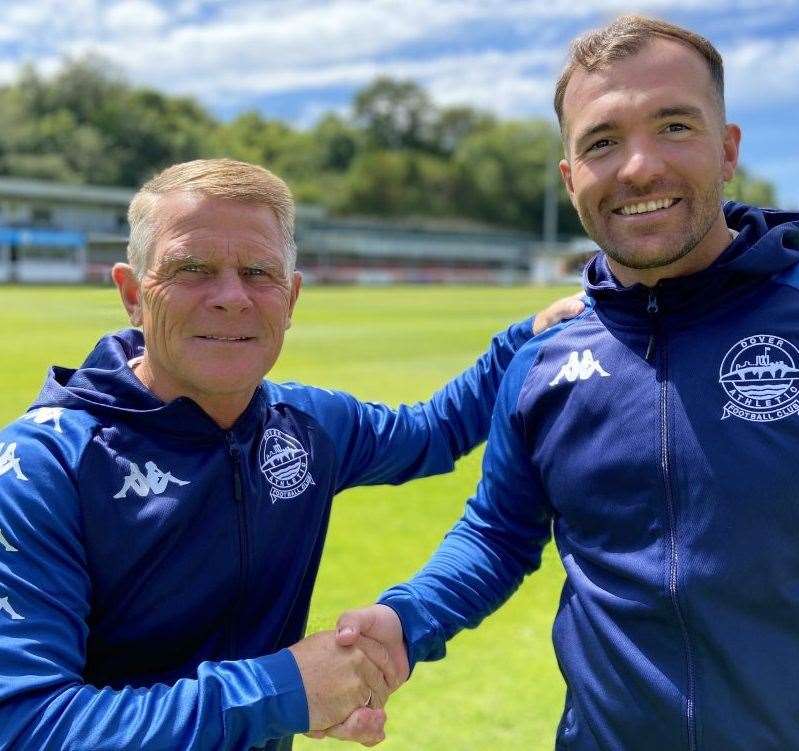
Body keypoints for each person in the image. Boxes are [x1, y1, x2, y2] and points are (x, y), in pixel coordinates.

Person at [336, 14, 799, 751]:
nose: (639, 167)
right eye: (602, 142)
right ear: (569, 175)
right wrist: (403, 619)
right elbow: (497, 533)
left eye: (674, 126)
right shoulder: (546, 361)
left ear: (728, 149)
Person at [0, 158, 582, 750]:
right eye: (191, 269)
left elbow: (431, 432)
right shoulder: (44, 466)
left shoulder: (308, 426)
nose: (231, 297)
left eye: (259, 272)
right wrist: (283, 692)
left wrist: (524, 336)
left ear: (292, 296)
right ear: (131, 293)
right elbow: (24, 725)